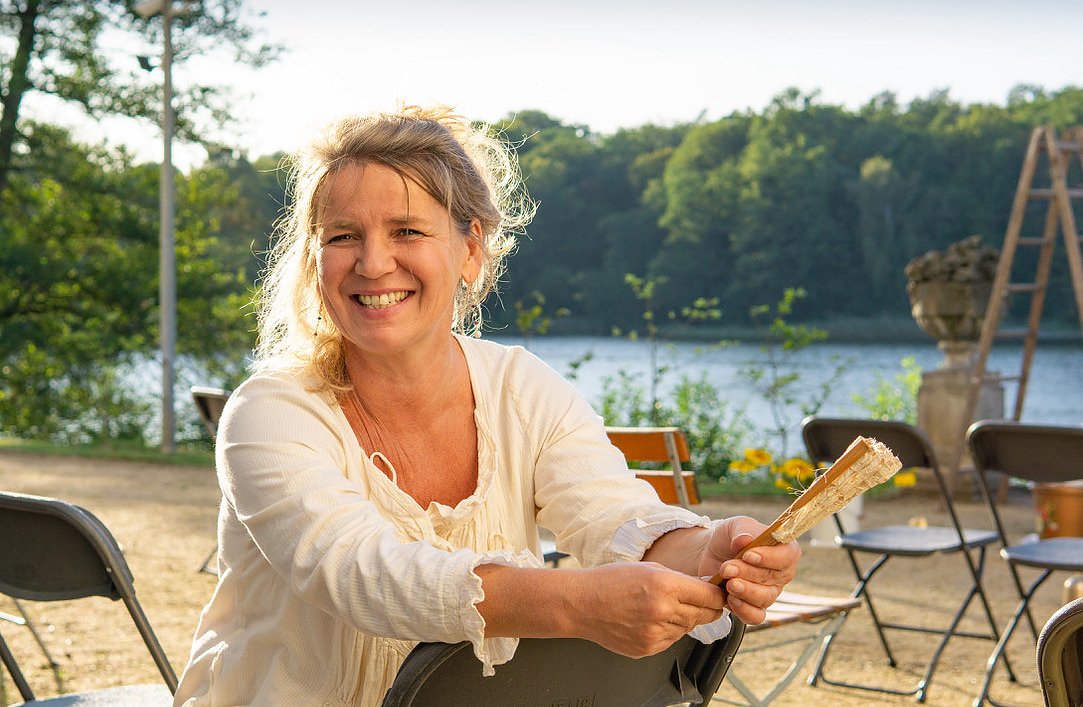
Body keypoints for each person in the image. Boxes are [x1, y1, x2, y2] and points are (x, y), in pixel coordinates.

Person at [174, 105, 801, 706]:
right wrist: (577, 605)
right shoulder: (270, 411)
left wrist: (707, 551)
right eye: (343, 236)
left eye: (407, 231)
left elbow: (615, 518)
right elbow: (362, 575)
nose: (373, 262)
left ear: (471, 249)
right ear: (315, 261)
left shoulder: (522, 389)